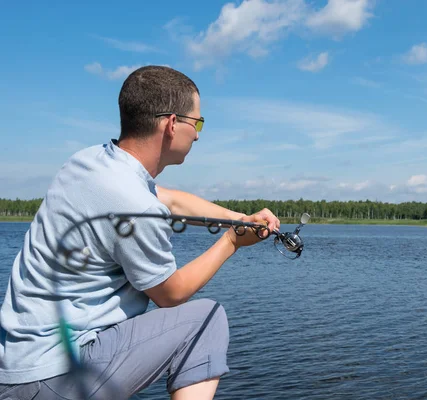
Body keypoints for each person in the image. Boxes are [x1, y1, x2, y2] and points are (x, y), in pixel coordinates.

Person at [0, 65, 280, 399]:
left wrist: (239, 219)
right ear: (173, 124)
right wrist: (232, 242)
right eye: (198, 122)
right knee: (207, 321)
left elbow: (172, 199)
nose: (199, 134)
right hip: (57, 375)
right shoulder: (134, 203)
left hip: (16, 367)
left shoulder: (89, 162)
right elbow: (170, 294)